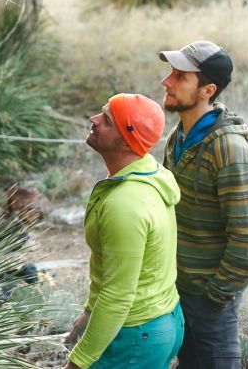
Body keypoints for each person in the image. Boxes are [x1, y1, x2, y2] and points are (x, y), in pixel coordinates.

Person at [158, 41, 248, 368]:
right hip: (179, 288)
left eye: (180, 76)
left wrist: (215, 297)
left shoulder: (230, 151)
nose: (166, 81)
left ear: (208, 90)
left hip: (209, 296)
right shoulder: (179, 136)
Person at [65, 94, 184, 369]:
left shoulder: (125, 205)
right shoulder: (148, 173)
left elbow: (118, 296)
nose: (93, 120)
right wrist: (87, 312)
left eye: (106, 120)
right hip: (162, 321)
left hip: (134, 335)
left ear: (127, 140)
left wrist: (77, 362)